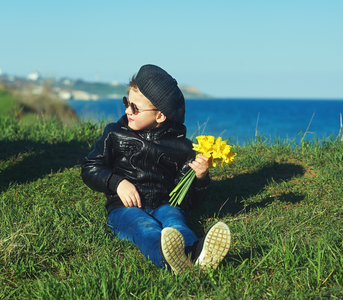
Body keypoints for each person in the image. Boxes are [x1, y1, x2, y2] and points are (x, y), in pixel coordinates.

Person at [81, 64, 231, 274]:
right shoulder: (114, 134)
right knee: (144, 227)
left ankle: (197, 254)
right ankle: (168, 259)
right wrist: (117, 183)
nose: (127, 111)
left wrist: (200, 177)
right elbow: (90, 167)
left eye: (134, 107)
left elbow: (189, 202)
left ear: (160, 116)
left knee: (176, 223)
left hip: (164, 204)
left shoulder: (183, 148)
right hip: (124, 208)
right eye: (126, 103)